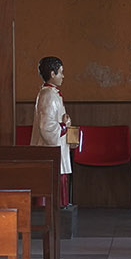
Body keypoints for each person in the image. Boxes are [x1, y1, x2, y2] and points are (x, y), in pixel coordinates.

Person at [32, 55, 75, 206]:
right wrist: (63, 126)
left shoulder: (51, 94)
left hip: (57, 149)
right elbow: (47, 128)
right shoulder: (48, 96)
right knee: (52, 186)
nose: (63, 76)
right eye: (61, 72)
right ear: (52, 74)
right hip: (51, 151)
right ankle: (55, 215)